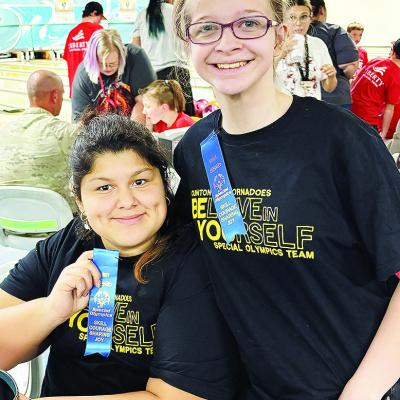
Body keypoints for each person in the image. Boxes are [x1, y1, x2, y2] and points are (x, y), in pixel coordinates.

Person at [172, 0, 400, 398]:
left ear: (280, 37)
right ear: (187, 41)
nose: (227, 43)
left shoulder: (342, 141)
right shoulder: (195, 150)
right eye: (207, 28)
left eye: (248, 23)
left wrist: (359, 394)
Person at [0, 112, 242, 400]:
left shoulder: (192, 261)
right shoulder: (70, 243)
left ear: (164, 186)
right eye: (104, 188)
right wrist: (52, 310)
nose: (126, 202)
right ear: (80, 201)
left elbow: (176, 396)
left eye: (140, 182)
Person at [0, 70, 77, 206]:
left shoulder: (4, 131)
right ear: (54, 96)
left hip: (9, 222)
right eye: (62, 94)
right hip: (58, 224)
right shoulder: (64, 132)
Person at [72, 29, 156, 122]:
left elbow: (145, 103)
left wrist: (134, 133)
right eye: (100, 64)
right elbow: (80, 120)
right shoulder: (83, 73)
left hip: (133, 125)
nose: (106, 68)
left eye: (112, 63)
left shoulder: (135, 57)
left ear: (121, 55)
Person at [132, 0, 195, 116]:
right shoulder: (177, 13)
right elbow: (190, 41)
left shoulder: (142, 15)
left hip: (154, 76)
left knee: (160, 122)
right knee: (186, 120)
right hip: (179, 72)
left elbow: (136, 49)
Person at [274, 0, 336, 99]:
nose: (298, 23)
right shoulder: (275, 44)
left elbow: (329, 88)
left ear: (310, 18)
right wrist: (280, 55)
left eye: (303, 17)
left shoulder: (318, 44)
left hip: (311, 109)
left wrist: (331, 76)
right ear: (284, 20)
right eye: (292, 17)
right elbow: (263, 81)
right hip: (282, 108)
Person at [308, 0, 359, 108]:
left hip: (304, 98)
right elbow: (349, 67)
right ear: (322, 10)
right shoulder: (336, 31)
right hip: (336, 98)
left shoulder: (294, 34)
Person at [351, 39, 400, 140]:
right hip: (367, 119)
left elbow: (354, 80)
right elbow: (389, 108)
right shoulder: (397, 78)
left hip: (350, 108)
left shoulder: (376, 60)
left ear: (393, 51)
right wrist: (383, 134)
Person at [63, 1, 105, 97]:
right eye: (100, 18)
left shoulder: (72, 33)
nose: (100, 21)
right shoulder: (98, 30)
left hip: (75, 89)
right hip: (94, 89)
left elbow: (67, 58)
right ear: (94, 13)